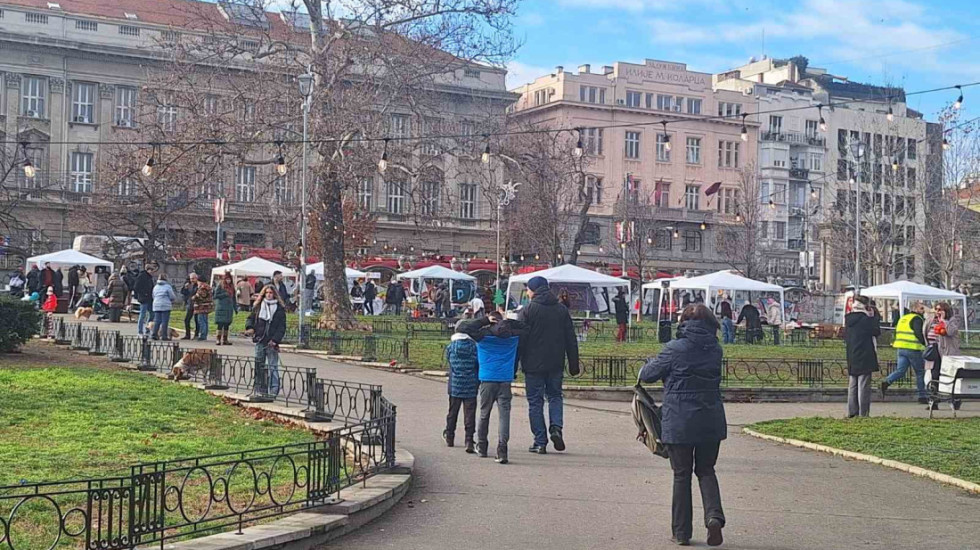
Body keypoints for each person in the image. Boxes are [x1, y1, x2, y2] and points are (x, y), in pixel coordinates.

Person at [638, 304, 727, 547]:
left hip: (680, 420)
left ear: (684, 322)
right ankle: (714, 518)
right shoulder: (715, 349)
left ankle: (681, 533)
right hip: (710, 418)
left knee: (681, 475)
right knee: (707, 470)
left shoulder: (675, 348)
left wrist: (648, 362)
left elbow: (647, 375)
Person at [518, 276, 580, 454]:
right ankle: (556, 428)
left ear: (534, 290)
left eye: (528, 289)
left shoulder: (528, 310)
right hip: (556, 363)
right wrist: (574, 364)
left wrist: (513, 366)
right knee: (555, 396)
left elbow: (520, 340)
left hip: (533, 365)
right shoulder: (561, 310)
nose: (528, 292)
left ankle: (540, 441)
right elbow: (571, 339)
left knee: (535, 402)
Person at [474, 311, 528, 464]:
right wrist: (508, 320)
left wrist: (484, 320)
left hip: (487, 379)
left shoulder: (482, 336)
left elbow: (463, 327)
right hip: (505, 380)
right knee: (504, 416)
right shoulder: (513, 338)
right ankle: (502, 449)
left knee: (484, 413)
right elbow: (527, 327)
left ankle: (482, 445)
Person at [444, 319, 481, 453]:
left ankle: (450, 436)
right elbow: (478, 364)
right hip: (471, 384)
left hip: (455, 384)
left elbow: (449, 362)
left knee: (453, 411)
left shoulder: (451, 347)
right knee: (469, 413)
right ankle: (469, 440)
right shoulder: (474, 347)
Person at [881, 303, 928, 404]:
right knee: (920, 372)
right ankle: (922, 396)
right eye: (921, 308)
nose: (923, 310)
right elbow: (918, 333)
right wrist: (925, 343)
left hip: (901, 348)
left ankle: (887, 381)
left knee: (901, 370)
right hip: (913, 348)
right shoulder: (917, 319)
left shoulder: (904, 318)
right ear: (915, 309)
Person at [844, 295, 880, 418]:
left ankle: (852, 411)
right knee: (864, 385)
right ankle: (863, 413)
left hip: (852, 353)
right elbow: (876, 331)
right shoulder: (866, 320)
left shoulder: (848, 319)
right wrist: (874, 316)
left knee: (853, 384)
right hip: (865, 354)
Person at [249, 285, 286, 398]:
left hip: (271, 341)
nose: (269, 295)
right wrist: (249, 328)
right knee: (259, 364)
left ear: (274, 294)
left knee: (272, 366)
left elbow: (282, 327)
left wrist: (275, 340)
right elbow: (250, 319)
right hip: (260, 339)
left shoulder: (279, 309)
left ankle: (274, 388)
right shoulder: (258, 307)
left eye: (271, 293)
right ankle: (259, 386)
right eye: (267, 293)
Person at [923, 302, 962, 410]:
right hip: (934, 351)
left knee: (950, 375)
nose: (938, 312)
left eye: (940, 310)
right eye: (937, 309)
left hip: (947, 352)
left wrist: (943, 320)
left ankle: (955, 399)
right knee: (934, 375)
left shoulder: (952, 320)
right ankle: (934, 401)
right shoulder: (931, 320)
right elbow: (925, 331)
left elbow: (950, 331)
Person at [151, 275, 177, 341]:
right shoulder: (168, 287)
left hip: (156, 304)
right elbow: (172, 296)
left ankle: (154, 334)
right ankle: (164, 336)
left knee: (157, 320)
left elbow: (153, 295)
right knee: (165, 321)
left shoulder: (155, 287)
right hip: (165, 305)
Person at [134, 264, 157, 337]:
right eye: (152, 271)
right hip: (144, 298)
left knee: (152, 314)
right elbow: (136, 287)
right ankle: (140, 331)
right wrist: (144, 293)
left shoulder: (149, 277)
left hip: (150, 298)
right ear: (148, 270)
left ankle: (147, 329)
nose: (153, 273)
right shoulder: (142, 276)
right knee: (142, 314)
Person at [213, 273, 235, 345]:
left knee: (227, 324)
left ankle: (225, 339)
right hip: (221, 307)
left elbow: (233, 298)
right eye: (227, 279)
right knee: (220, 324)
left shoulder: (232, 287)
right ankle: (218, 339)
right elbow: (215, 295)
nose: (228, 281)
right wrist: (224, 294)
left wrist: (235, 307)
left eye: (229, 279)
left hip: (229, 308)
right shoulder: (220, 285)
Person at [181, 273, 200, 340]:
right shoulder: (188, 284)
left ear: (196, 278)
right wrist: (185, 288)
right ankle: (187, 335)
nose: (192, 280)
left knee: (197, 320)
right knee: (186, 320)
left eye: (193, 279)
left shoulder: (198, 285)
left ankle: (196, 334)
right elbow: (183, 292)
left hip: (197, 304)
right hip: (190, 304)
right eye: (191, 279)